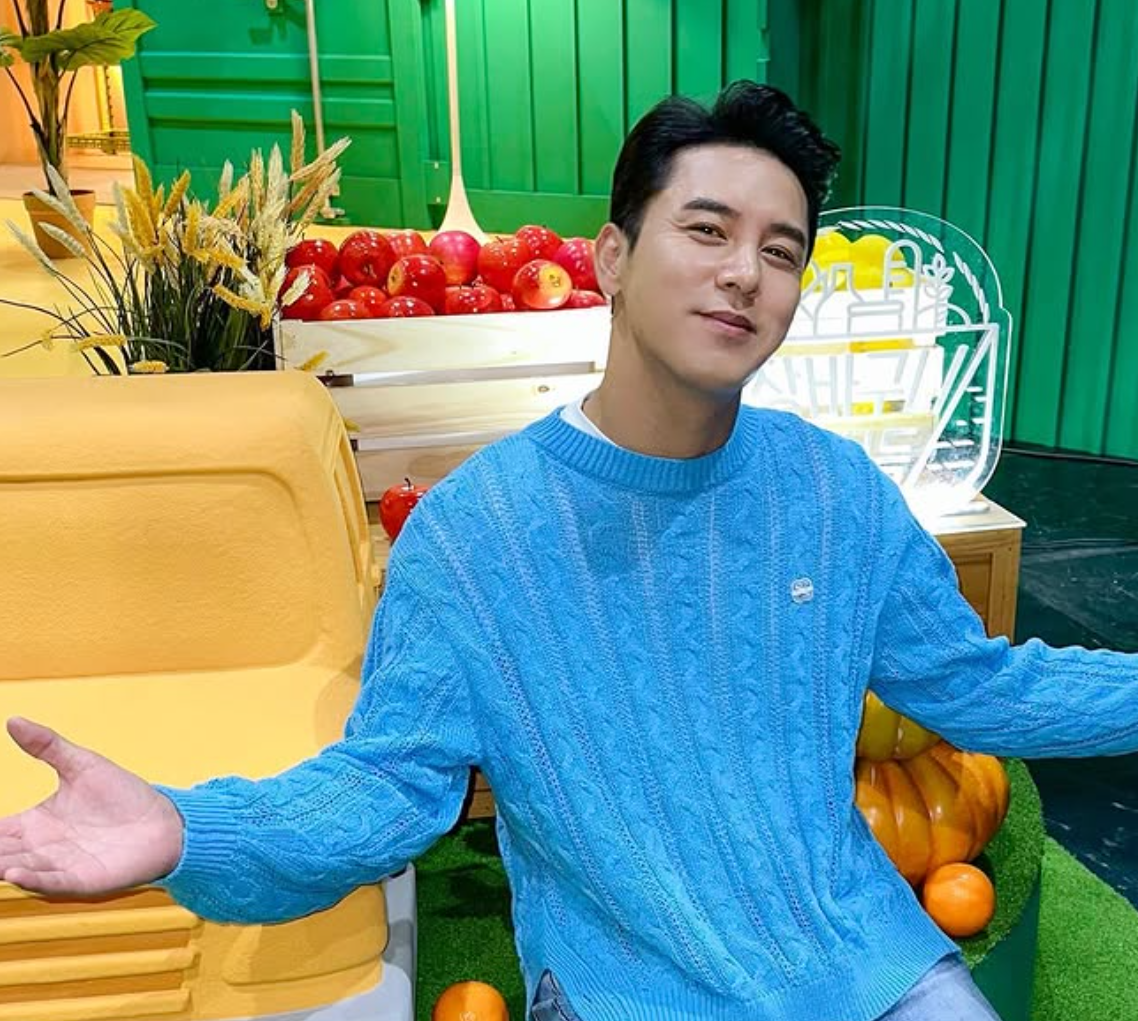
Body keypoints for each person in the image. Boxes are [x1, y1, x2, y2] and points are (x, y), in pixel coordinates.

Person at [2, 81, 1138, 1021]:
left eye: (782, 250)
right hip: (628, 986)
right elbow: (387, 786)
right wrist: (188, 828)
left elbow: (975, 686)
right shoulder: (475, 535)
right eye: (707, 230)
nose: (745, 271)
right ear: (610, 258)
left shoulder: (835, 492)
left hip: (861, 958)